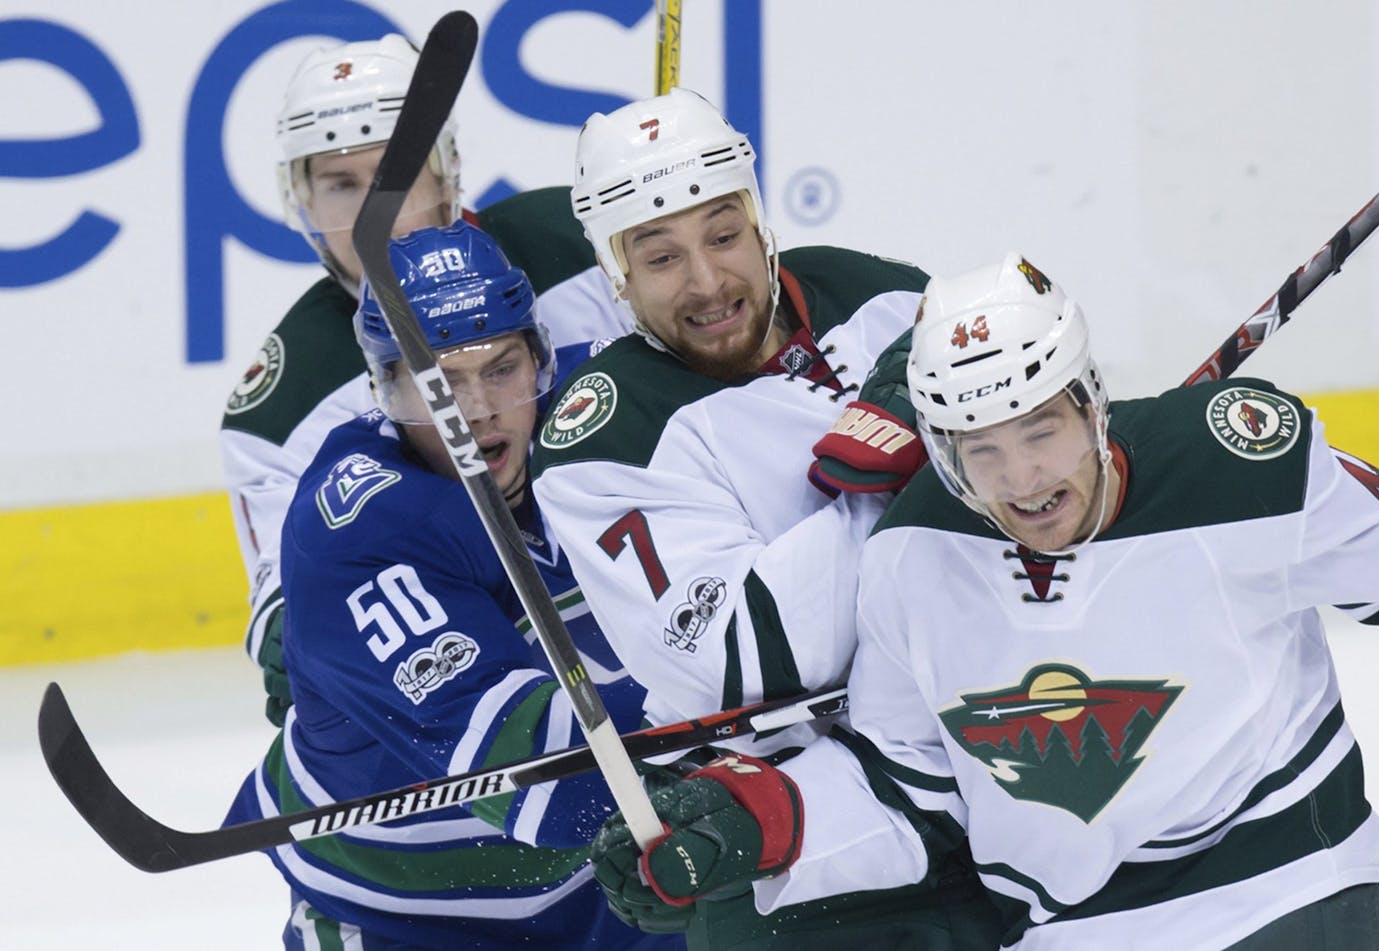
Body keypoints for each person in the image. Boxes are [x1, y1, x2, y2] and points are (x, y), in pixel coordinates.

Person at [592, 252, 1379, 949]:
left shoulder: (1241, 464)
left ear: (1091, 401)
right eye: (982, 449)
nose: (1023, 479)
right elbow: (909, 788)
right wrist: (758, 819)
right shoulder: (913, 554)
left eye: (1040, 429)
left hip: (1288, 891)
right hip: (1071, 929)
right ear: (943, 456)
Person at [529, 88, 1002, 948]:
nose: (709, 282)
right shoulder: (601, 435)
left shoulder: (880, 295)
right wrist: (891, 484)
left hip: (997, 787)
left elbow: (1037, 490)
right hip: (799, 854)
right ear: (616, 274)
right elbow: (748, 658)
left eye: (723, 234)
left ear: (757, 216)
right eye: (661, 256)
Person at [225, 221, 679, 950]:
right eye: (435, 385)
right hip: (406, 915)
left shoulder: (609, 403)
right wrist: (736, 716)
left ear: (540, 361)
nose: (475, 411)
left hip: (614, 885)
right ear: (385, 391)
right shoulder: (358, 530)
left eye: (501, 368)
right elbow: (545, 776)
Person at [220, 33, 629, 726]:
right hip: (486, 674)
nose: (366, 214)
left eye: (392, 176)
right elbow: (284, 602)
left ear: (446, 173)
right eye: (340, 184)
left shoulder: (580, 242)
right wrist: (306, 635)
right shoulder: (280, 409)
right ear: (304, 204)